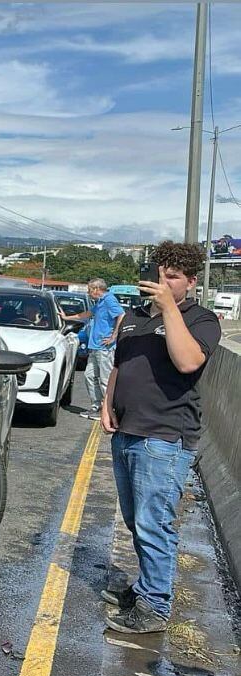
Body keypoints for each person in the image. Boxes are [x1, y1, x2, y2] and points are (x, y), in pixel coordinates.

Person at [101, 242, 221, 634]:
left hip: (165, 438)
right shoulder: (133, 317)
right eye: (160, 274)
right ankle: (145, 587)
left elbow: (188, 362)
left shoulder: (200, 319)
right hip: (126, 431)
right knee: (136, 520)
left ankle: (154, 606)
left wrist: (168, 307)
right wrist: (107, 403)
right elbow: (119, 365)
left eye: (173, 277)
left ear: (191, 281)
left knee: (154, 523)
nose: (163, 282)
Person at [64, 279, 126, 419]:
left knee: (105, 380)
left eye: (90, 290)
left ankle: (108, 410)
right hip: (95, 346)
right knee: (89, 376)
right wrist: (67, 317)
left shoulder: (109, 299)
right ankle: (97, 406)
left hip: (105, 347)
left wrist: (114, 336)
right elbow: (87, 314)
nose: (88, 292)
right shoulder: (99, 302)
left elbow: (121, 315)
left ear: (97, 289)